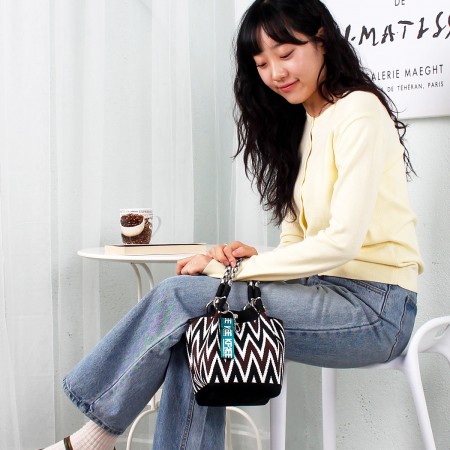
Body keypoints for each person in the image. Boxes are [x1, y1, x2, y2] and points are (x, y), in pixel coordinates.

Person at [42, 0, 423, 449]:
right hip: (324, 293)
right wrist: (248, 259)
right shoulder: (305, 124)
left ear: (321, 39)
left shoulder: (358, 110)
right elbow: (296, 241)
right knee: (198, 326)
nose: (276, 73)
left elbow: (341, 244)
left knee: (178, 295)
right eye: (261, 63)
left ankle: (94, 438)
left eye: (286, 53)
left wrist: (231, 271)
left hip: (376, 311)